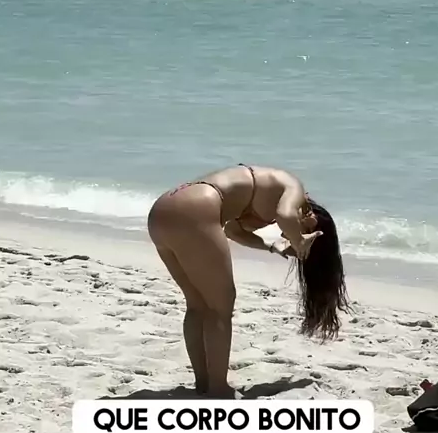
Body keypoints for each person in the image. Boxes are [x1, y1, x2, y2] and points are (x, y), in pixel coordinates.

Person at [147, 164, 349, 398]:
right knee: (221, 306)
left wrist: (272, 246)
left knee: (197, 304)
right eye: (308, 233)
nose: (292, 236)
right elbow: (286, 216)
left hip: (162, 213)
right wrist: (299, 240)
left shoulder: (264, 198)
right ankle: (218, 388)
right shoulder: (293, 188)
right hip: (195, 210)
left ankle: (204, 383)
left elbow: (233, 231)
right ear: (311, 218)